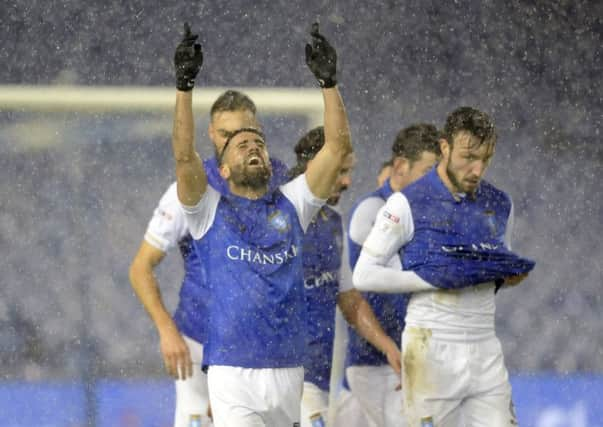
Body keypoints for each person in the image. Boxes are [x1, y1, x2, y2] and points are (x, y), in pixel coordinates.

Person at [171, 21, 352, 426]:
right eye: (240, 144)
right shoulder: (208, 211)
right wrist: (184, 88)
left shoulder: (294, 203)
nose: (252, 146)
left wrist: (329, 83)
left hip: (289, 368)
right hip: (233, 371)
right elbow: (184, 157)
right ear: (223, 168)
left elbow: (337, 147)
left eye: (259, 143)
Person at [353, 107, 535, 426]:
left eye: (485, 159)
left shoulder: (500, 204)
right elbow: (363, 274)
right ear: (445, 147)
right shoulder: (406, 202)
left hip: (484, 345)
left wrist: (507, 277)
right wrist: (432, 278)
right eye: (468, 157)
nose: (477, 169)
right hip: (431, 344)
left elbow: (485, 270)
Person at [129, 89, 289, 426]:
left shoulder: (283, 186)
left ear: (258, 130)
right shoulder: (191, 188)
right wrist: (166, 330)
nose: (234, 140)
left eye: (242, 132)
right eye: (225, 134)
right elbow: (141, 267)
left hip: (261, 352)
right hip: (198, 342)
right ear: (212, 135)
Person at [287, 127, 401, 427]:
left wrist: (387, 345)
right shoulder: (272, 214)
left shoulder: (333, 223)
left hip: (314, 376)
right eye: (341, 171)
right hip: (274, 373)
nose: (348, 181)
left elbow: (349, 299)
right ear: (316, 165)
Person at [345, 124, 441, 427]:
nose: (436, 181)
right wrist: (389, 346)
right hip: (379, 364)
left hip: (413, 360)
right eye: (428, 170)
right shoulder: (371, 211)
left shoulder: (427, 213)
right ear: (400, 167)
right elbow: (358, 292)